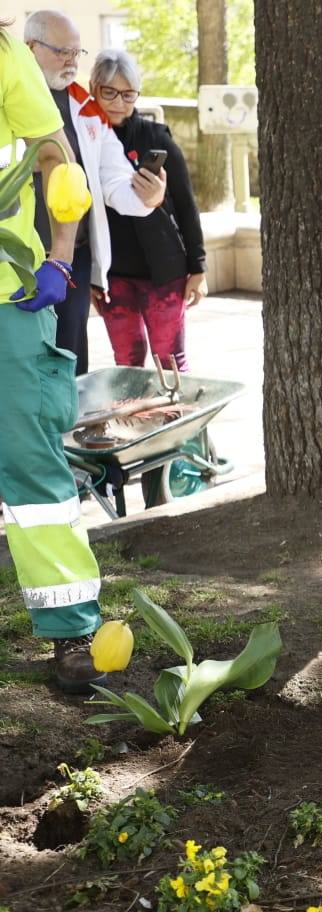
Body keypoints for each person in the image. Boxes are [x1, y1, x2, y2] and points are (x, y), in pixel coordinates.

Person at [1, 18, 109, 693]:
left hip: (7, 300)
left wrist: (61, 257)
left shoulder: (6, 57)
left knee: (33, 464)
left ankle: (71, 629)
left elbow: (54, 156)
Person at [24, 9, 163, 375]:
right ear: (30, 47)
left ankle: (68, 428)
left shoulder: (86, 108)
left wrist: (146, 197)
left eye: (77, 52)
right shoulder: (10, 98)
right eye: (62, 52)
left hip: (71, 259)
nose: (72, 62)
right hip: (18, 256)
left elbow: (114, 178)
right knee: (21, 358)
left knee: (69, 354)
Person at [89, 49, 206, 371]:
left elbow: (185, 204)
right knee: (126, 364)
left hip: (164, 272)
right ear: (93, 87)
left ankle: (176, 421)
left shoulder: (157, 137)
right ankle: (138, 422)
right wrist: (91, 275)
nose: (118, 102)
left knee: (170, 362)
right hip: (113, 276)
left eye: (128, 94)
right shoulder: (84, 140)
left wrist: (198, 268)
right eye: (109, 91)